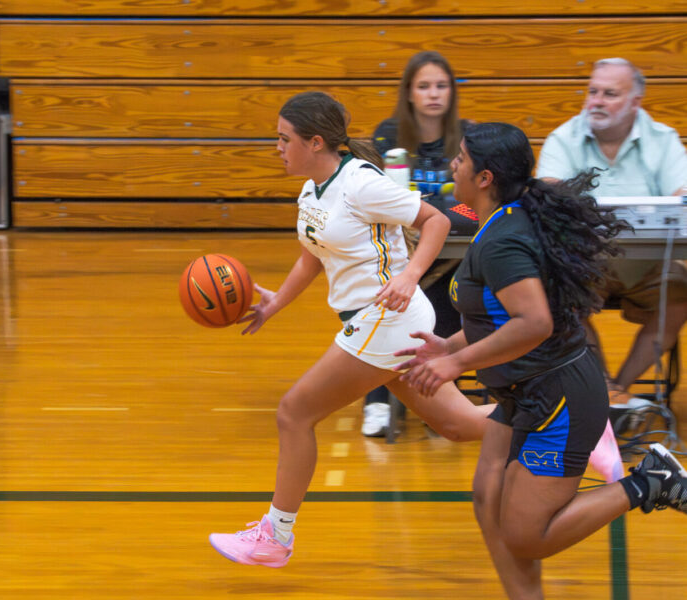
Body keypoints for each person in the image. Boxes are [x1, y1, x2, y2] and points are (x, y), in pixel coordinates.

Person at [398, 122, 687, 599]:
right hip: (523, 390)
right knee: (487, 497)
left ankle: (649, 483)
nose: (454, 164)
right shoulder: (502, 221)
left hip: (558, 396)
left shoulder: (504, 239)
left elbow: (533, 323)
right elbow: (500, 315)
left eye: (462, 158)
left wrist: (457, 364)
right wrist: (448, 346)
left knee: (527, 536)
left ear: (485, 177)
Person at [208, 91, 495, 568]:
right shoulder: (310, 192)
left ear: (315, 142)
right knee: (457, 425)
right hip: (381, 324)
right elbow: (312, 255)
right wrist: (276, 302)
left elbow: (436, 220)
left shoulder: (362, 184)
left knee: (293, 413)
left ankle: (275, 537)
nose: (278, 147)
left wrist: (408, 276)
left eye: (285, 139)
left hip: (384, 321)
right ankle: (571, 423)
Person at [536, 57, 687, 407]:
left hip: (649, 262)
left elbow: (682, 197)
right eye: (592, 91)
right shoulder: (564, 137)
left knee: (680, 296)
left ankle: (620, 388)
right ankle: (603, 388)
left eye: (609, 94)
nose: (596, 101)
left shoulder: (662, 140)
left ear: (635, 102)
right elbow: (550, 195)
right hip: (584, 261)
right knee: (558, 293)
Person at [363, 50, 473, 437]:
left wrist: (432, 210)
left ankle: (439, 392)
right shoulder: (387, 136)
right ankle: (376, 397)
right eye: (424, 86)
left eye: (441, 86)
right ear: (409, 92)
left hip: (454, 243)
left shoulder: (467, 135)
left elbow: (471, 204)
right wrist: (433, 208)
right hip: (398, 243)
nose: (433, 94)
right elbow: (373, 194)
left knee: (454, 288)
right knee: (378, 285)